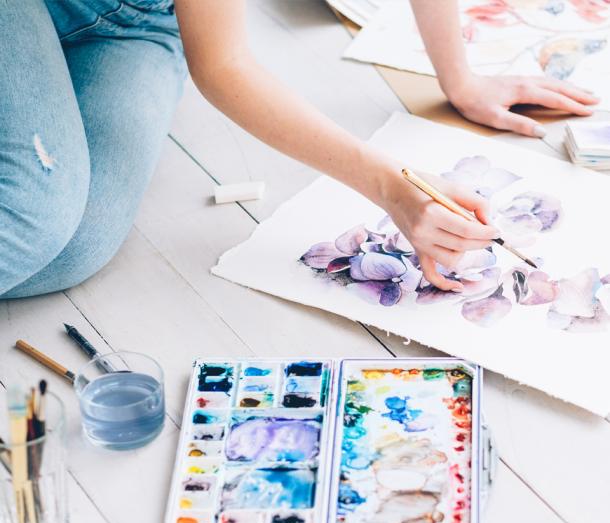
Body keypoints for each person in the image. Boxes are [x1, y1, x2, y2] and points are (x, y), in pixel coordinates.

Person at [0, 0, 597, 299]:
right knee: (32, 222)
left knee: (72, 248)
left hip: (141, 20)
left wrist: (460, 81)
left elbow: (219, 52)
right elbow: (226, 71)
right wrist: (391, 185)